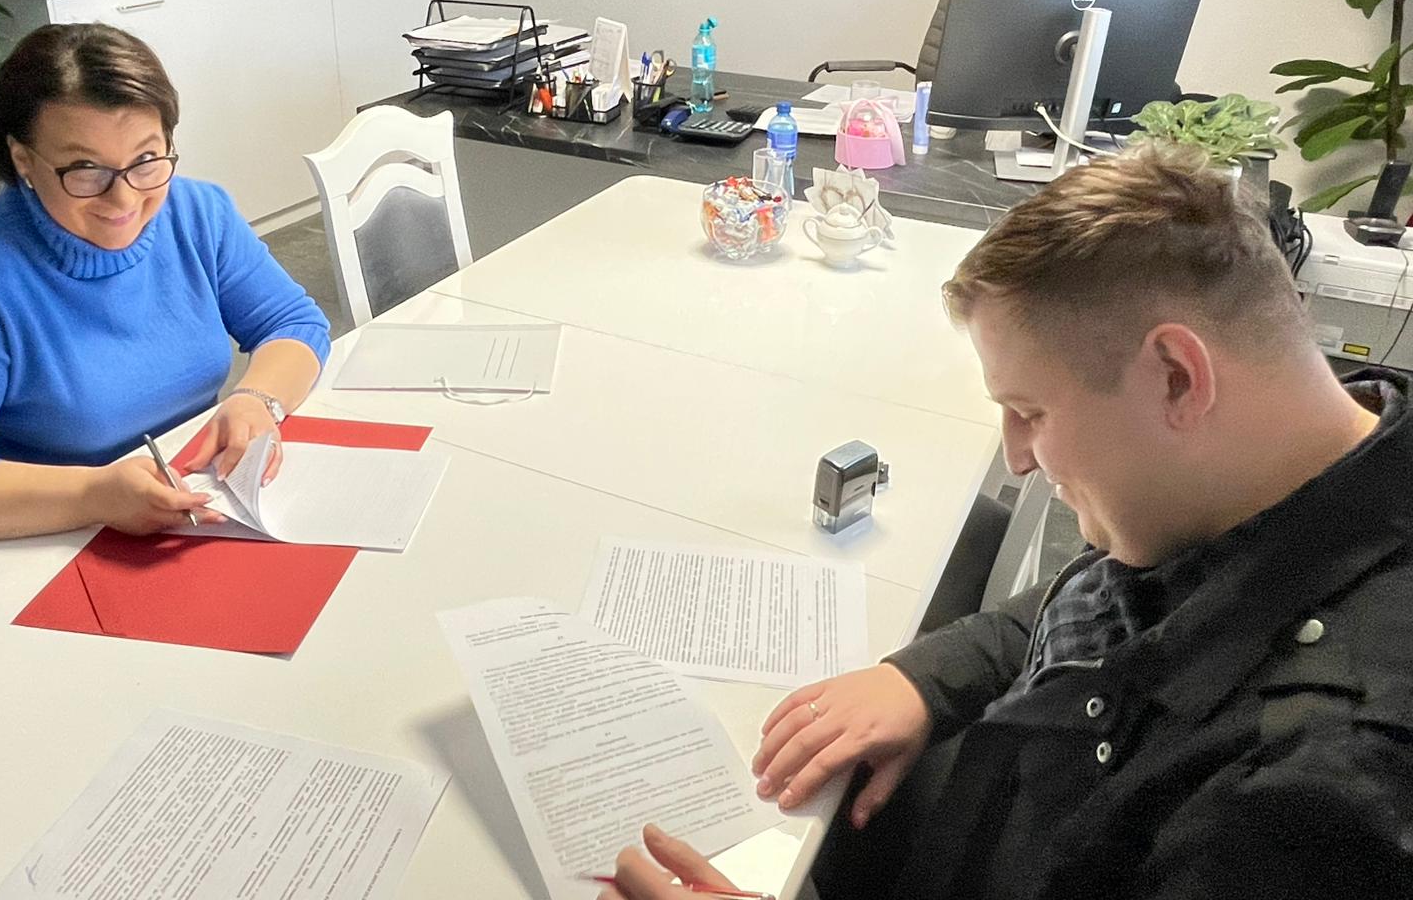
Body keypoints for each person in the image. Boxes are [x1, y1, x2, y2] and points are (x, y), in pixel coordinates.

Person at [597, 147, 1413, 899]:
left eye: (1031, 412)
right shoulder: (1280, 464)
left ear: (1175, 378)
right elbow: (1118, 601)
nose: (1018, 457)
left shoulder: (1311, 794)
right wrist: (929, 676)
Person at [0, 23, 332, 543]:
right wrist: (91, 495)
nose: (125, 199)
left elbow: (293, 323)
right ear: (24, 160)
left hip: (192, 511)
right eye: (85, 170)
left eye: (146, 160)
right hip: (48, 543)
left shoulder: (197, 213)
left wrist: (257, 400)